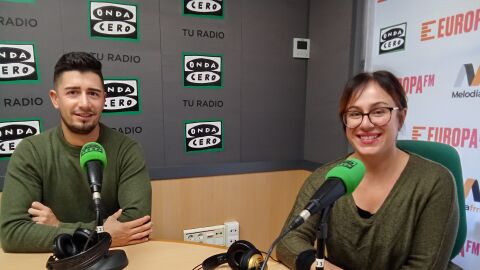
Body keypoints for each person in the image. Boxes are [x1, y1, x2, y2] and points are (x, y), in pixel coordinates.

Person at [276, 70, 459, 270]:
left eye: (378, 112)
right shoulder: (327, 177)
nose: (365, 124)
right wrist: (319, 266)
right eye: (354, 114)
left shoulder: (435, 181)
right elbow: (288, 241)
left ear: (401, 116)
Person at [0, 52, 153, 252]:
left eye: (93, 93)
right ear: (55, 99)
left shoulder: (127, 150)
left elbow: (135, 224)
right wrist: (104, 234)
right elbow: (13, 234)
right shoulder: (31, 151)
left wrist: (58, 226)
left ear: (104, 99)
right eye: (72, 92)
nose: (84, 103)